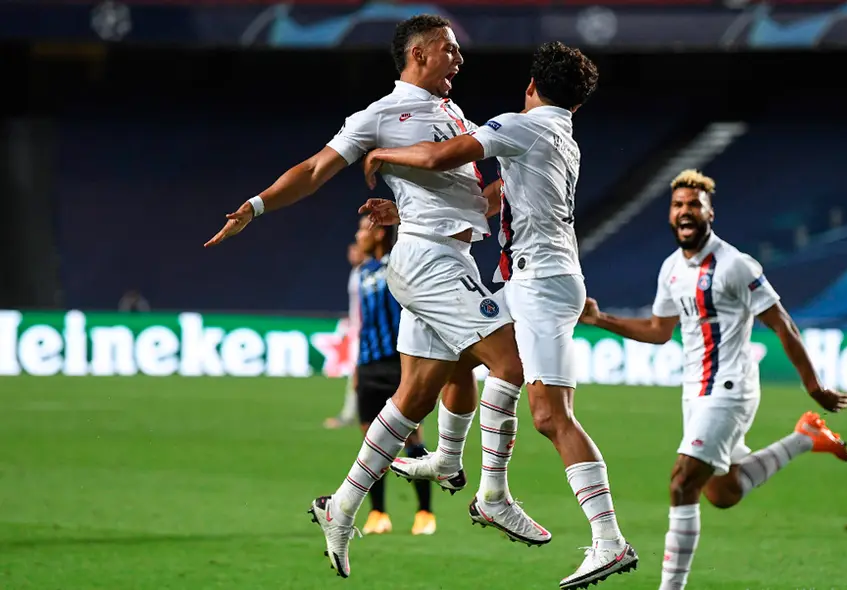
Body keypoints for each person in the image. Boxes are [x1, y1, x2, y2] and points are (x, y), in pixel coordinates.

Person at [203, 14, 544, 579]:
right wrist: (256, 207)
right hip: (427, 260)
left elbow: (472, 203)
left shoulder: (453, 113)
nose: (459, 59)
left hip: (450, 254)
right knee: (510, 362)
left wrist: (527, 178)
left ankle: (341, 506)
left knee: (418, 395)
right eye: (449, 50)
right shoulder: (381, 116)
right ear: (418, 54)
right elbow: (315, 168)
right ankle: (492, 493)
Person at [360, 41, 637, 590]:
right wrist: (409, 209)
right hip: (530, 280)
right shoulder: (558, 136)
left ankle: (608, 540)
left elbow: (446, 155)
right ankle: (483, 487)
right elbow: (495, 197)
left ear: (531, 87)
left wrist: (384, 156)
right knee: (459, 347)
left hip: (540, 283)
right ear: (576, 104)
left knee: (551, 415)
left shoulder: (520, 125)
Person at [577, 169, 847, 590]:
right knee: (722, 493)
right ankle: (804, 437)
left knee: (682, 481)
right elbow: (658, 330)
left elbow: (783, 326)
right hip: (695, 391)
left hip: (731, 387)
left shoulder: (736, 265)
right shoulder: (672, 268)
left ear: (709, 212)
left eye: (693, 205)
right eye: (678, 205)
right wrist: (601, 320)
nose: (685, 212)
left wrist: (813, 385)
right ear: (670, 215)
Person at [347, 216, 436, 536]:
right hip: (369, 366)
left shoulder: (398, 266)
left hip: (399, 365)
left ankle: (425, 512)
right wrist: (356, 368)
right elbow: (358, 323)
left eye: (362, 229)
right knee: (371, 442)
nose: (358, 236)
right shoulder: (360, 273)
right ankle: (378, 514)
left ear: (380, 232)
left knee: (412, 438)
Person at [324, 242, 366, 430]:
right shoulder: (356, 273)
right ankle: (350, 413)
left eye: (355, 249)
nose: (351, 253)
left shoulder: (369, 273)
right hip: (358, 332)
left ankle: (350, 415)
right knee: (356, 375)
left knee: (358, 375)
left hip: (368, 333)